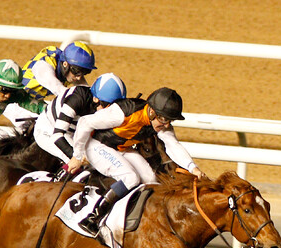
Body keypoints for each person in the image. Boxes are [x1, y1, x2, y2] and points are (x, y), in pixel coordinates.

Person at [67, 87, 205, 236]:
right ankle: (93, 217)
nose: (166, 125)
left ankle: (136, 220)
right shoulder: (125, 112)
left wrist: (193, 168)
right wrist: (77, 155)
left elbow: (174, 145)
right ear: (152, 111)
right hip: (95, 145)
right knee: (130, 177)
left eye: (169, 120)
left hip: (119, 147)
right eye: (164, 119)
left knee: (151, 180)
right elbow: (85, 122)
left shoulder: (159, 122)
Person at [33, 72, 127, 180]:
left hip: (75, 132)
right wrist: (76, 157)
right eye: (107, 105)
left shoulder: (100, 101)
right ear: (95, 99)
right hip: (49, 130)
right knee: (82, 164)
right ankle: (56, 184)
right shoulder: (77, 99)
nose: (109, 110)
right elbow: (57, 135)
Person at [21, 41, 97, 101]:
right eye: (77, 72)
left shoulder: (68, 69)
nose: (79, 78)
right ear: (65, 64)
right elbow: (58, 88)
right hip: (15, 98)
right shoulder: (44, 66)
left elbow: (85, 91)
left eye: (84, 73)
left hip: (32, 100)